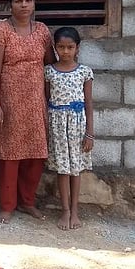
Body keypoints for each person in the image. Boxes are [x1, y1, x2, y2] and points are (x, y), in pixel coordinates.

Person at [0, 0, 55, 223]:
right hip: (10, 100)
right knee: (10, 153)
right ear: (11, 4)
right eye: (19, 1)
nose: (24, 5)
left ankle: (27, 202)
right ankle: (7, 205)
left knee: (36, 153)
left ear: (34, 3)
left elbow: (50, 65)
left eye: (28, 0)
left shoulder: (43, 31)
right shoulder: (1, 31)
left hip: (36, 100)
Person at [45, 26, 94, 230]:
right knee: (62, 169)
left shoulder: (85, 72)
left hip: (77, 125)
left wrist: (90, 133)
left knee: (76, 169)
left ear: (77, 48)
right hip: (57, 125)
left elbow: (89, 104)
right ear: (55, 48)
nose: (65, 51)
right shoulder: (49, 71)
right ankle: (64, 210)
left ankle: (75, 210)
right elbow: (47, 99)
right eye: (61, 47)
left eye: (70, 47)